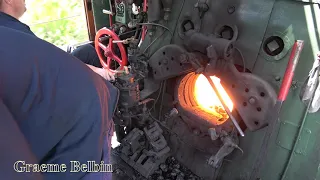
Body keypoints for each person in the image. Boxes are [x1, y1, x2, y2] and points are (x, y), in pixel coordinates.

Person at [0, 0, 115, 81]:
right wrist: (97, 71)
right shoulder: (16, 32)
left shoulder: (7, 25)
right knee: (92, 57)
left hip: (40, 76)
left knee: (87, 50)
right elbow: (52, 64)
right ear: (8, 0)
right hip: (48, 82)